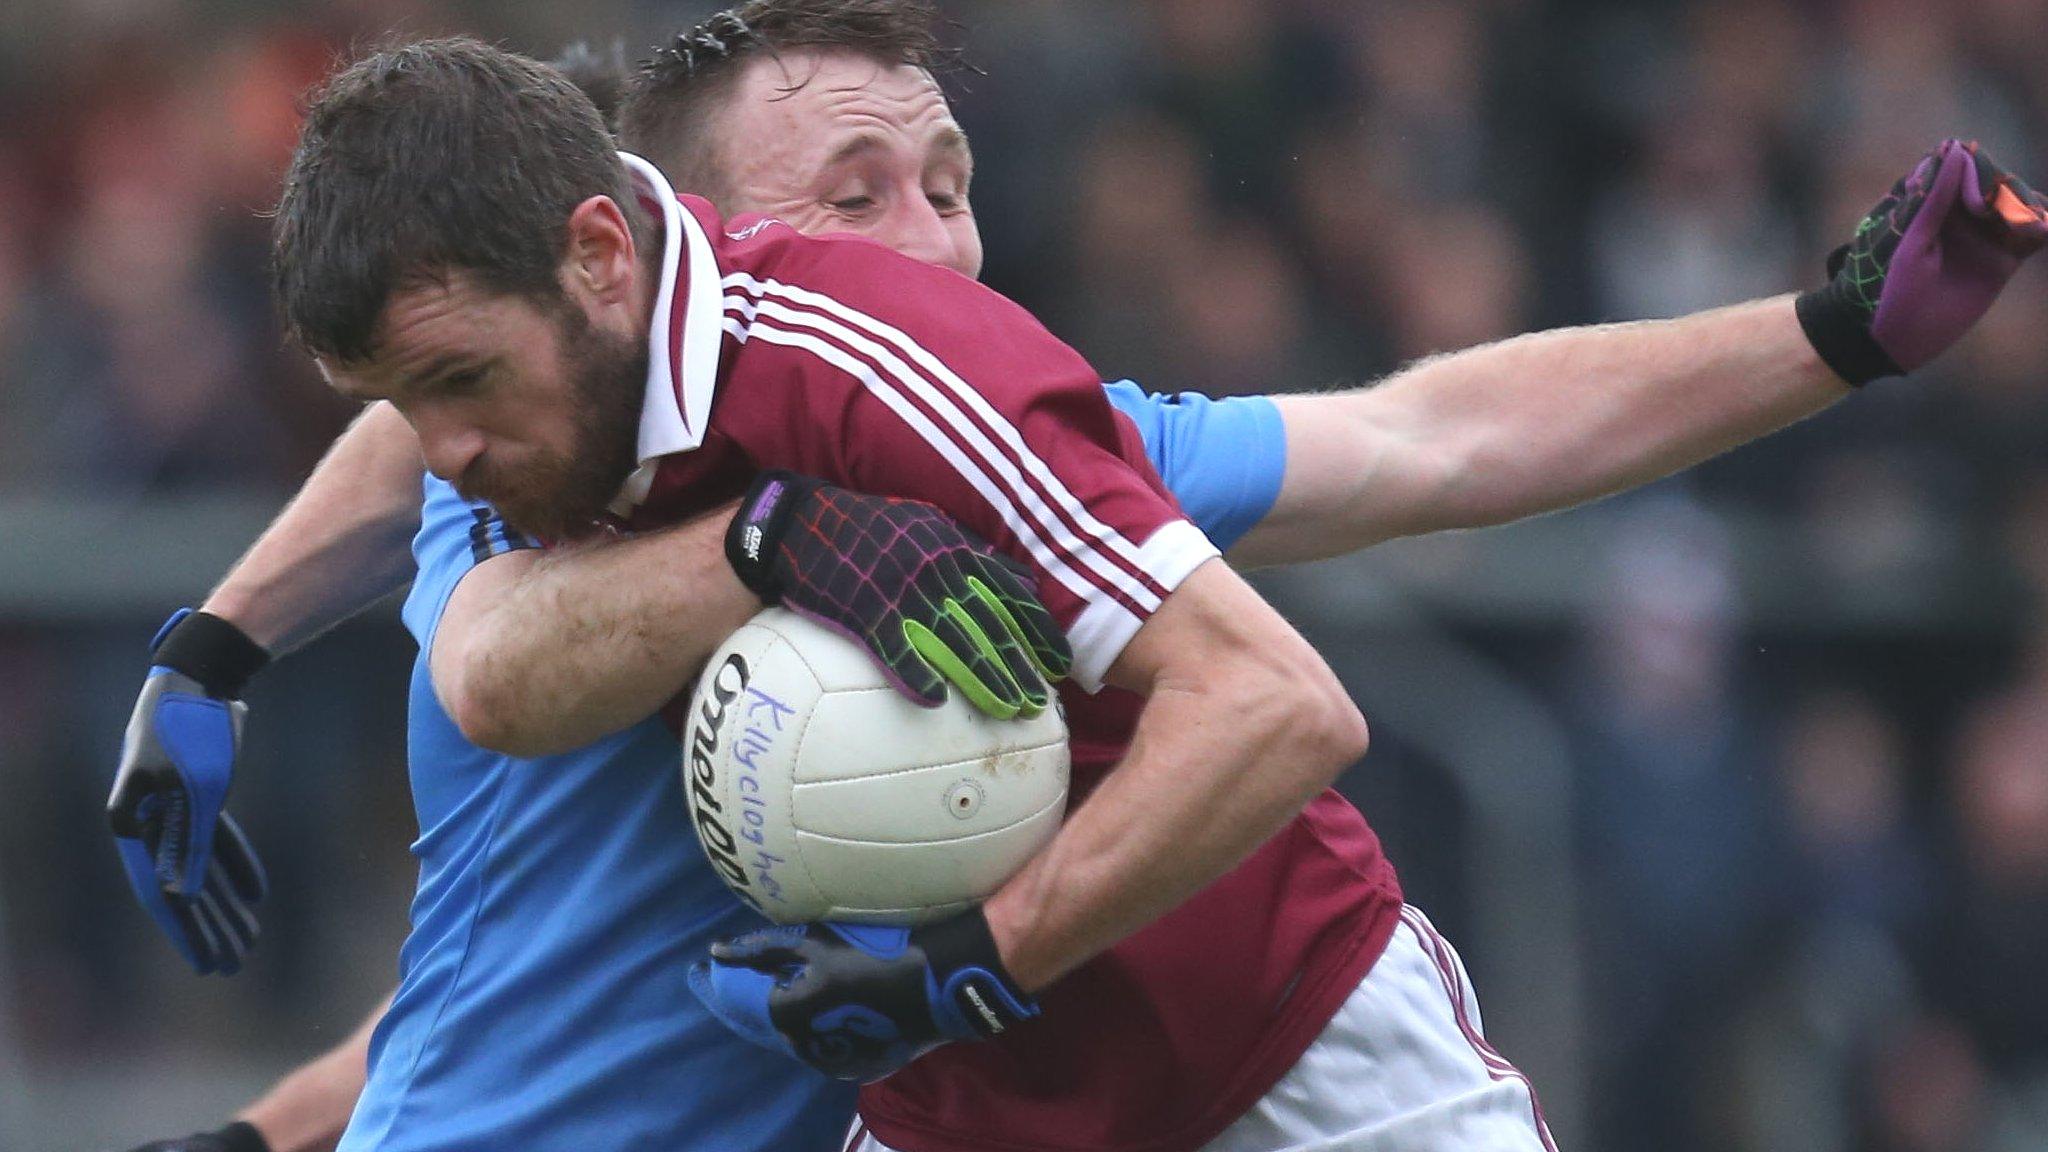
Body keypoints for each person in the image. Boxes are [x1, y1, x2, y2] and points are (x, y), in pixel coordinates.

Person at [111, 4, 2047, 1151]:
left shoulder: (1006, 411)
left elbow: (1440, 440)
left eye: (945, 181)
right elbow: (536, 876)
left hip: (1269, 1031)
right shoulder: (517, 440)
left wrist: (1824, 338)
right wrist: (216, 650)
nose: (929, 248)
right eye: (851, 203)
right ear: (663, 239)